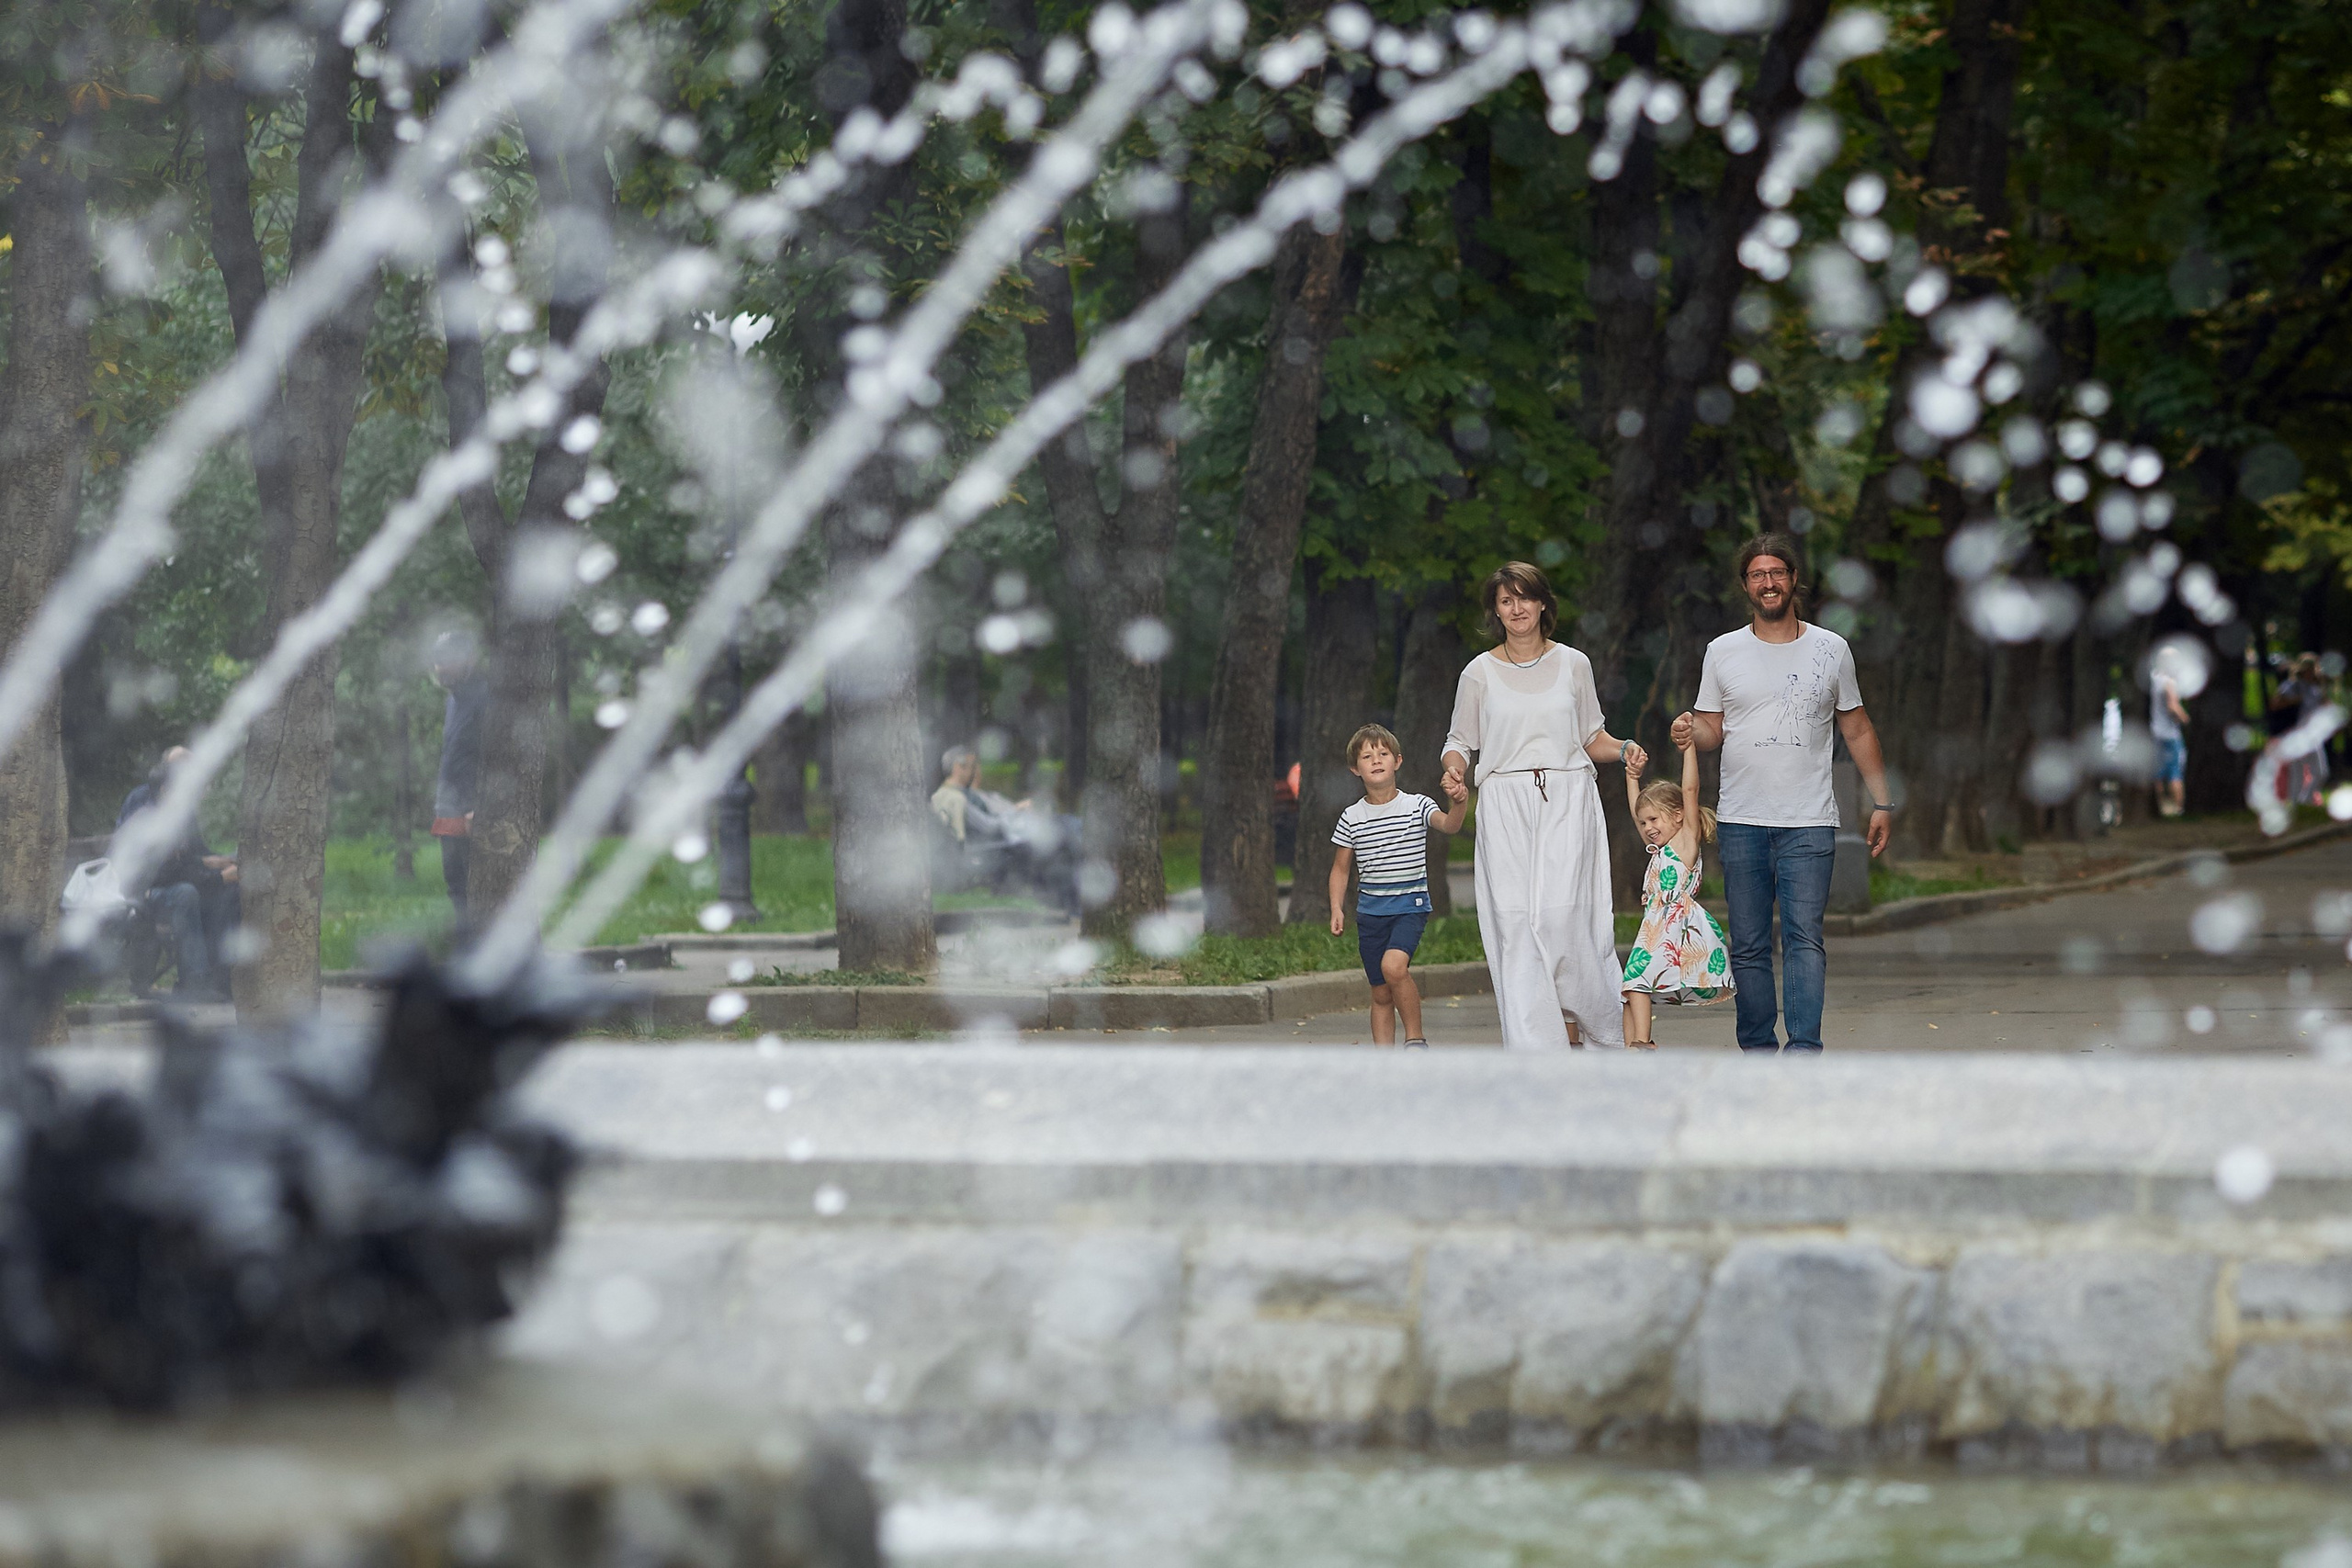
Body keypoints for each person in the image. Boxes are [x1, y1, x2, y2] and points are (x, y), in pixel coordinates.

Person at [1673, 534, 1893, 1055]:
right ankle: (1756, 1048)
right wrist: (1688, 730)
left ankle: (1803, 1051)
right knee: (1748, 944)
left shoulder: (1830, 649)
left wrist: (1882, 801)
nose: (1768, 582)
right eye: (1757, 574)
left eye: (1777, 573)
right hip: (1741, 819)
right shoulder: (1723, 651)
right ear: (1746, 585)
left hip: (1809, 819)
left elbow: (1857, 729)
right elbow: (1711, 729)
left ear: (1794, 580)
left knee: (1803, 939)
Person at [1442, 562, 1647, 1050]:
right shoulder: (1478, 672)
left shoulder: (1575, 664)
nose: (1517, 609)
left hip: (1566, 797)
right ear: (1496, 610)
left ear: (1541, 604)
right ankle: (1537, 1054)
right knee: (1515, 926)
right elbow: (1459, 741)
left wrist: (1623, 749)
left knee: (1563, 920)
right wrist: (1453, 769)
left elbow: (1590, 736)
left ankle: (1601, 1032)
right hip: (1504, 801)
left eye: (1524, 598)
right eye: (1506, 600)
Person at [1327, 724, 1469, 1048]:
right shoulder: (1351, 817)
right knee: (1379, 993)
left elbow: (1449, 825)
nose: (1376, 760)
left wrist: (1458, 802)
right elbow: (1340, 869)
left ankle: (1415, 1039)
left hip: (1409, 907)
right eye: (1367, 756)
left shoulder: (1417, 805)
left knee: (1394, 967)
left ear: (1398, 761)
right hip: (1370, 914)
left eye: (1383, 754)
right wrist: (1336, 907)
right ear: (1355, 769)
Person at [1619, 729, 1733, 1049]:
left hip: (1673, 928)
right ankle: (1631, 1051)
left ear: (1678, 815)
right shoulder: (1658, 848)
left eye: (1654, 819)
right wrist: (1632, 777)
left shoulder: (1684, 843)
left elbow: (1690, 789)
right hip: (1654, 926)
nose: (1648, 828)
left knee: (1636, 984)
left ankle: (1643, 1044)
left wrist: (1688, 749)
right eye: (1644, 824)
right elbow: (1635, 809)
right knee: (1630, 990)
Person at [115, 747, 239, 1001]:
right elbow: (166, 872)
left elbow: (190, 857)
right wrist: (218, 877)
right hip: (142, 893)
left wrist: (221, 864)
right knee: (187, 893)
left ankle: (223, 980)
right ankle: (196, 982)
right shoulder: (148, 817)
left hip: (167, 883)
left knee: (227, 893)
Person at [931, 746, 1081, 913]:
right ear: (958, 768)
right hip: (998, 846)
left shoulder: (965, 793)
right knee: (1065, 837)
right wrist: (1015, 811)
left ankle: (1076, 904)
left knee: (1069, 828)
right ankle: (1074, 906)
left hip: (1008, 837)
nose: (975, 771)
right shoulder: (955, 797)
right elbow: (989, 826)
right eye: (972, 766)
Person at [429, 630, 489, 930]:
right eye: (438, 661)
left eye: (449, 661)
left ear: (470, 660)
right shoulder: (453, 701)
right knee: (456, 887)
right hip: (449, 809)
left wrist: (477, 805)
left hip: (471, 812)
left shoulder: (485, 697)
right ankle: (467, 952)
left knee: (478, 889)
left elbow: (492, 756)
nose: (441, 668)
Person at [2150, 656, 2190, 818]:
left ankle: (2160, 808)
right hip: (2170, 734)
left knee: (2158, 773)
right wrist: (2185, 718)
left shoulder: (2155, 679)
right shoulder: (2169, 682)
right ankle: (2178, 810)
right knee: (2175, 772)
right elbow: (2172, 706)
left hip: (2156, 732)